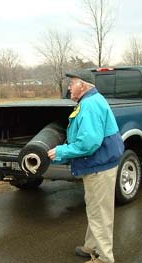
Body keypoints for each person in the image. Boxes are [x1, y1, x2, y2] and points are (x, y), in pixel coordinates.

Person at [48, 70, 124, 263]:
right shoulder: (93, 100)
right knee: (95, 208)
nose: (69, 87)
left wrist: (62, 151)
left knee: (100, 213)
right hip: (102, 163)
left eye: (72, 83)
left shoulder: (89, 105)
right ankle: (91, 246)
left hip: (99, 165)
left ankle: (104, 258)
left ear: (83, 85)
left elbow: (89, 143)